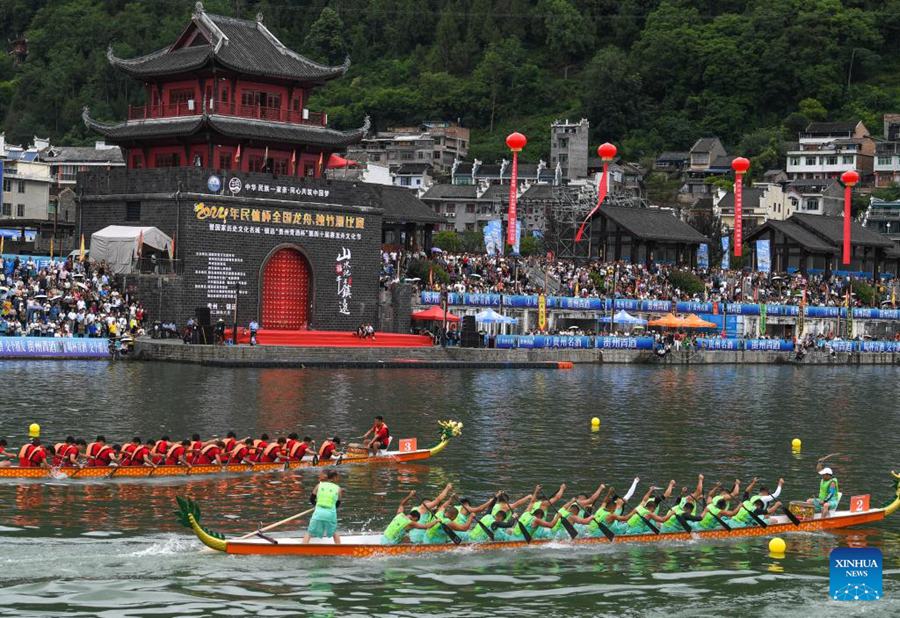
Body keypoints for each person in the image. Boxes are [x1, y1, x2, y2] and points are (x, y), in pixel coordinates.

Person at [304, 470, 342, 544]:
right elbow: (338, 504)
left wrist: (317, 506)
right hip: (331, 513)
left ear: (326, 477)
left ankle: (302, 547)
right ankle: (339, 547)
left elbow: (311, 499)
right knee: (334, 532)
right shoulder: (338, 489)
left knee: (309, 532)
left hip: (318, 512)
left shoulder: (319, 485)